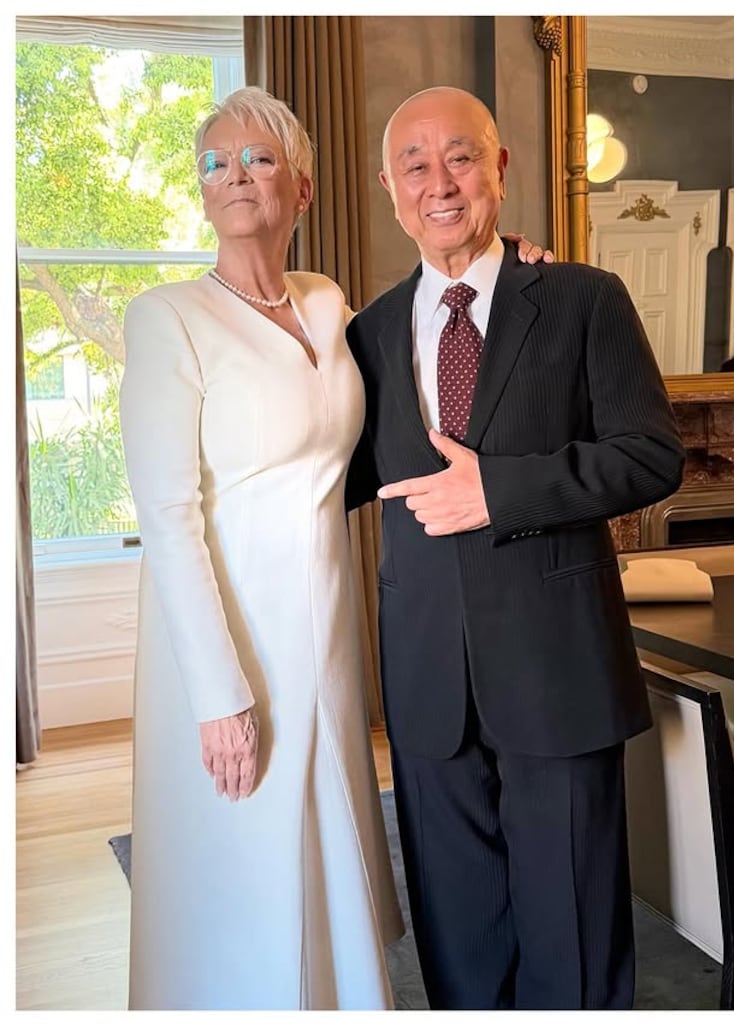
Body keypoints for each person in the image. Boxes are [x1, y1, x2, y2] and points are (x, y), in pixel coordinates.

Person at [118, 84, 546, 1011]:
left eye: (258, 159)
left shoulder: (327, 307)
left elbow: (438, 335)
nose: (234, 177)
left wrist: (519, 277)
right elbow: (168, 515)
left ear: (302, 190)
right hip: (227, 640)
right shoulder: (167, 318)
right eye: (214, 163)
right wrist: (217, 693)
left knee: (328, 851)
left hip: (329, 633)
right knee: (242, 872)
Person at [345, 86, 685, 1010]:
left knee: (573, 940)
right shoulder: (365, 334)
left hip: (559, 669)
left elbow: (652, 457)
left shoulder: (582, 297)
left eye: (461, 156)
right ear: (387, 185)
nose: (439, 181)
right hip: (425, 683)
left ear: (500, 168)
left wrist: (496, 489)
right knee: (458, 946)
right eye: (414, 163)